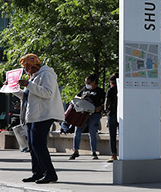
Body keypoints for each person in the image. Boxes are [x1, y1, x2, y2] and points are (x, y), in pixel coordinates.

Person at [17, 54, 61, 184]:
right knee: (32, 145)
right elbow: (28, 96)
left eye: (27, 68)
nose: (26, 71)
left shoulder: (46, 74)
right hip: (33, 115)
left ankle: (50, 173)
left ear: (34, 66)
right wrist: (13, 89)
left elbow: (47, 93)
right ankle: (37, 172)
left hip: (44, 115)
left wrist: (28, 85)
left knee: (38, 144)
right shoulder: (34, 77)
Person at [69, 73, 106, 160]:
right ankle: (75, 151)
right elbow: (76, 96)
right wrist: (80, 98)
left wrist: (100, 108)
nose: (87, 84)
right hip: (83, 113)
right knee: (77, 130)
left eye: (89, 82)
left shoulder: (100, 91)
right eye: (86, 82)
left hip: (94, 114)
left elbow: (105, 102)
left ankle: (93, 151)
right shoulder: (85, 89)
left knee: (92, 131)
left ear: (94, 82)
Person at [105, 74, 118, 162]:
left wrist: (106, 112)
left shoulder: (110, 90)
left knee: (112, 135)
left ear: (111, 82)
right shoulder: (122, 89)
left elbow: (106, 103)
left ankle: (113, 154)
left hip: (112, 114)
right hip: (122, 115)